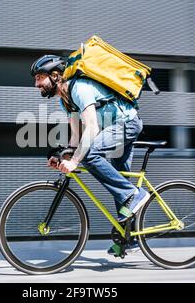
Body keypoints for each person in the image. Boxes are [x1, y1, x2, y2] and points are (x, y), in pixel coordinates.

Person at [30, 54, 150, 255]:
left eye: (39, 78)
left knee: (90, 155)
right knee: (120, 177)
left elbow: (92, 128)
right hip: (113, 129)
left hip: (127, 125)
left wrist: (76, 159)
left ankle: (134, 195)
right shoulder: (65, 101)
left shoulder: (80, 89)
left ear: (56, 75)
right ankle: (131, 238)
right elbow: (76, 136)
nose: (36, 84)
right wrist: (65, 157)